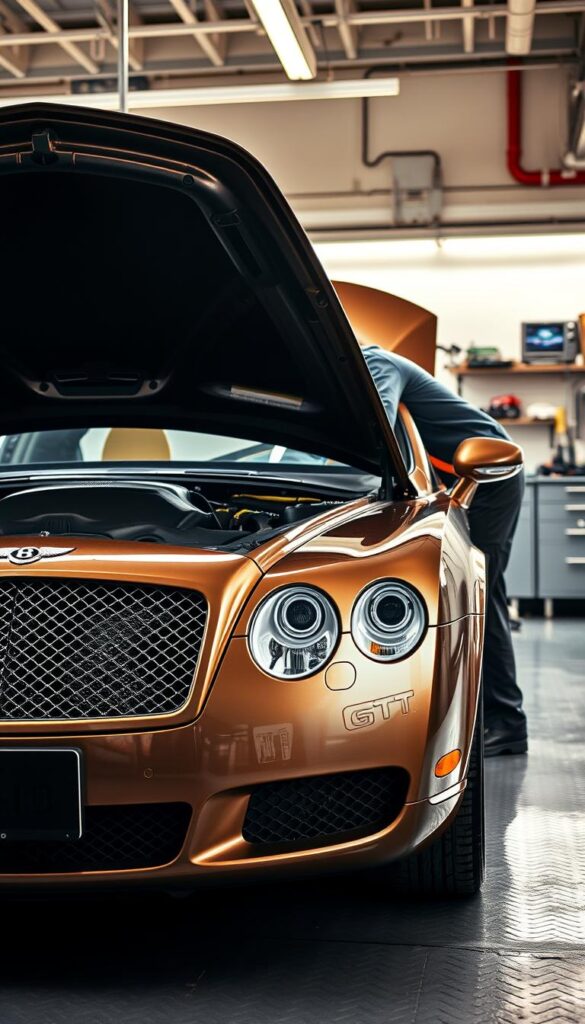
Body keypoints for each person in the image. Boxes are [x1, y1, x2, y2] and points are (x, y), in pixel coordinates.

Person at [362, 345, 527, 758]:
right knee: (485, 595)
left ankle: (506, 723)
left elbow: (376, 427)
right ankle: (502, 718)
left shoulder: (375, 362)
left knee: (477, 596)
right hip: (455, 477)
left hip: (489, 474)